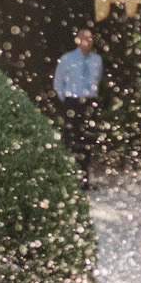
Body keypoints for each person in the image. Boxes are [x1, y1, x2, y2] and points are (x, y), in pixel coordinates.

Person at [53, 27, 102, 182]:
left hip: (89, 102)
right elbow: (58, 82)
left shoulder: (96, 60)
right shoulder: (67, 59)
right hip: (72, 102)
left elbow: (97, 79)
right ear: (78, 40)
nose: (88, 42)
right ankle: (71, 176)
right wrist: (67, 101)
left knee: (87, 139)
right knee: (72, 138)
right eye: (84, 38)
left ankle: (85, 177)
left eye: (90, 38)